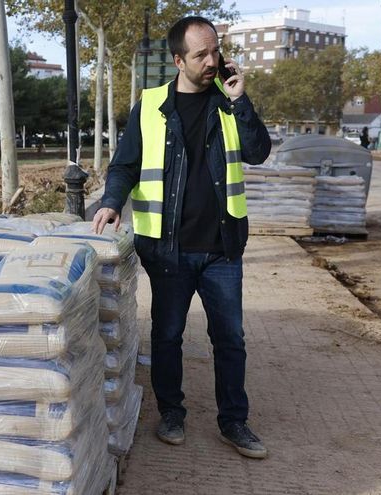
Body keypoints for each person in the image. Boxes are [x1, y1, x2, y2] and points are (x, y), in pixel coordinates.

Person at [92, 16, 271, 459]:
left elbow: (258, 152)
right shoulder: (151, 105)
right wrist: (112, 200)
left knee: (230, 338)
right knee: (168, 335)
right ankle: (172, 412)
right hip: (168, 249)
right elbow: (124, 165)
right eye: (201, 55)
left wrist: (242, 101)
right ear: (178, 60)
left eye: (216, 50)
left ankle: (234, 422)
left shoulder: (229, 103)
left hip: (222, 248)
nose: (213, 60)